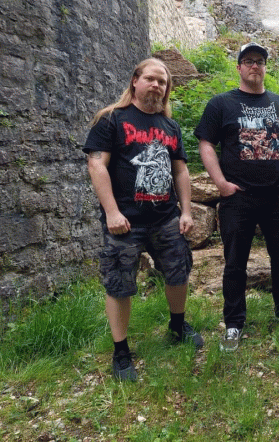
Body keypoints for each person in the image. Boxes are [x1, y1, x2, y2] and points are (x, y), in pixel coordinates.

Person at [83, 58, 203, 382]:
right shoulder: (112, 119)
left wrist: (186, 211)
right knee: (119, 283)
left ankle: (177, 326)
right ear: (135, 80)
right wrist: (111, 212)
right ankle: (121, 351)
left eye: (162, 82)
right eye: (151, 78)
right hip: (125, 221)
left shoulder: (170, 126)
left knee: (178, 271)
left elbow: (180, 170)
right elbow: (96, 165)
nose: (157, 85)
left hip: (166, 218)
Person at [194, 42, 279, 352]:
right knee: (235, 263)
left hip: (276, 197)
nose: (255, 66)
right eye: (248, 61)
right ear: (239, 68)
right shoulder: (221, 104)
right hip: (238, 198)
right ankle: (234, 323)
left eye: (259, 61)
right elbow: (206, 144)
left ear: (265, 67)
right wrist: (220, 183)